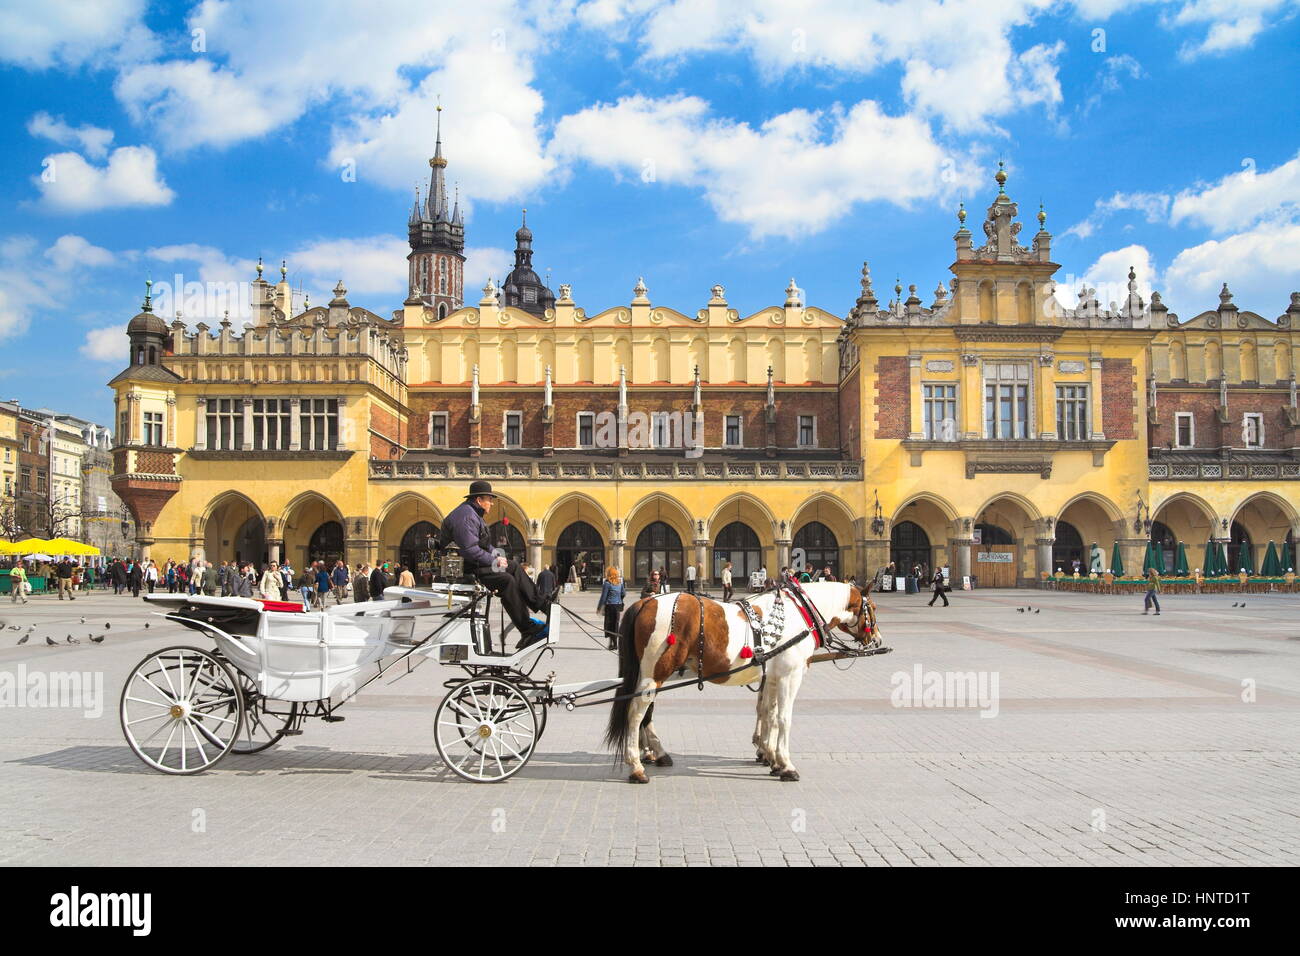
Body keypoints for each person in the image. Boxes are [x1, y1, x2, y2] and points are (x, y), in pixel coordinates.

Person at [441, 481, 548, 646]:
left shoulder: (473, 514)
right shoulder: (466, 516)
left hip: (476, 564)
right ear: (479, 500)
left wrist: (496, 555)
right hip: (467, 568)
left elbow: (483, 544)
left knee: (512, 566)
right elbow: (469, 550)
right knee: (507, 581)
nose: (491, 503)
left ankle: (542, 603)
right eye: (489, 499)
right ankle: (527, 629)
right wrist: (493, 560)